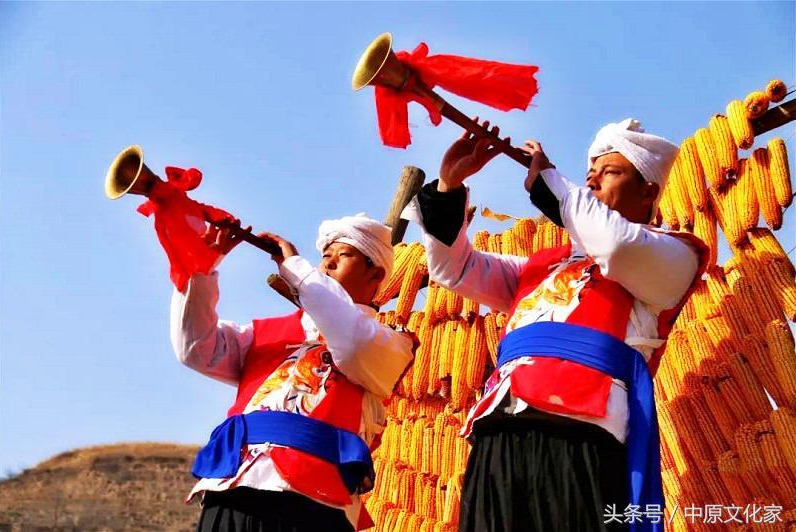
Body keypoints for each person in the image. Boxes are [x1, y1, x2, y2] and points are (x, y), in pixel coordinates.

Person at [402, 118, 709, 532]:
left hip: (583, 429)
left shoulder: (673, 255)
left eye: (610, 172)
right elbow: (455, 270)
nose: (592, 182)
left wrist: (550, 182)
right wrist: (449, 187)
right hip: (502, 424)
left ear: (648, 191)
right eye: (589, 174)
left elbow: (616, 244)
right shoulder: (542, 265)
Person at [170, 213, 414, 532]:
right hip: (233, 487)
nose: (328, 264)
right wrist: (201, 270)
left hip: (313, 503)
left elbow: (351, 340)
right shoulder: (262, 333)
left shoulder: (389, 343)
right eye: (324, 256)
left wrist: (298, 271)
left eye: (343, 255)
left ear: (375, 273)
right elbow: (195, 348)